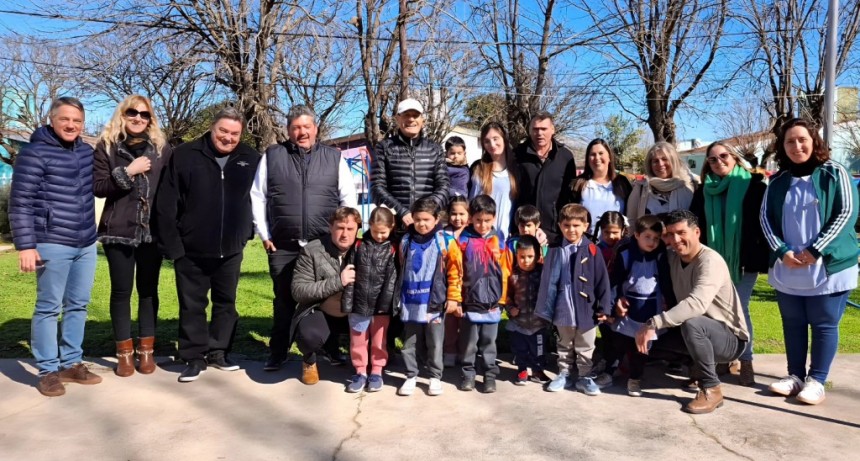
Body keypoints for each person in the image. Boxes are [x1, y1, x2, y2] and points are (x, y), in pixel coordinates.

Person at [155, 107, 261, 382]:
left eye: (234, 133)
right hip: (191, 249)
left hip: (231, 248)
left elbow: (260, 199)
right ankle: (193, 356)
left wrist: (246, 233)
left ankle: (219, 352)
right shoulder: (185, 155)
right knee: (192, 305)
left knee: (226, 302)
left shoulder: (250, 158)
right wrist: (174, 246)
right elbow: (166, 203)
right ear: (212, 128)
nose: (228, 138)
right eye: (223, 131)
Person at [250, 105, 357, 372]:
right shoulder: (273, 156)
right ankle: (278, 352)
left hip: (323, 244)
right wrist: (264, 233)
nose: (302, 132)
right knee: (284, 300)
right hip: (283, 244)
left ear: (315, 129)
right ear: (288, 130)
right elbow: (258, 196)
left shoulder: (333, 158)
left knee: (327, 296)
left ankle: (329, 349)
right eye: (296, 127)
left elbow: (348, 198)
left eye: (307, 126)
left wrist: (346, 233)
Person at [760, 118, 858, 405]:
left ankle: (817, 380)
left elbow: (846, 213)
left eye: (802, 139)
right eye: (789, 141)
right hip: (788, 264)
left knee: (824, 323)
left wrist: (816, 250)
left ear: (814, 141)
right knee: (792, 322)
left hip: (828, 265)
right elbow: (765, 218)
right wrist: (782, 250)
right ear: (782, 146)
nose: (797, 146)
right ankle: (795, 376)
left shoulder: (834, 172)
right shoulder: (777, 180)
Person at [10, 97, 102, 396]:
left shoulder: (86, 152)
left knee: (78, 305)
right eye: (65, 119)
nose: (71, 125)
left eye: (77, 120)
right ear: (52, 120)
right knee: (49, 307)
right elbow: (20, 202)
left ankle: (71, 363)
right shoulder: (34, 153)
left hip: (85, 242)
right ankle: (48, 370)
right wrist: (26, 246)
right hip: (51, 241)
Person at [634, 210, 749, 414]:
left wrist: (654, 323)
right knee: (641, 344)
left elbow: (697, 304)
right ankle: (696, 367)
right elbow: (641, 246)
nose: (676, 240)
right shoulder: (671, 257)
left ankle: (711, 388)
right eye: (670, 234)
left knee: (693, 323)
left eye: (681, 233)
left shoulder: (710, 261)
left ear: (697, 232)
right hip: (691, 330)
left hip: (729, 339)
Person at [93, 95, 172, 378]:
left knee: (148, 291)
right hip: (119, 230)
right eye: (132, 112)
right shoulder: (106, 146)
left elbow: (171, 188)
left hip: (152, 232)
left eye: (144, 114)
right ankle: (124, 354)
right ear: (122, 114)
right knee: (121, 291)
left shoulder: (162, 149)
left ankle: (146, 350)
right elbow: (99, 187)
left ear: (151, 119)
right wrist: (128, 171)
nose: (138, 118)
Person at [689, 141, 768, 386]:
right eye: (712, 159)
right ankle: (721, 359)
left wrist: (756, 255)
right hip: (711, 263)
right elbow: (694, 225)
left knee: (739, 310)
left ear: (734, 157)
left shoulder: (754, 186)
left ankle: (746, 360)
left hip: (743, 261)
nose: (719, 161)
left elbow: (762, 225)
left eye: (723, 156)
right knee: (712, 311)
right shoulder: (703, 191)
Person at [536, 204, 611, 396]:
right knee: (565, 343)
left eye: (576, 225)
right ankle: (564, 374)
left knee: (586, 344)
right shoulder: (553, 249)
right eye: (567, 225)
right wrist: (545, 306)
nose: (571, 230)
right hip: (563, 305)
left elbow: (602, 280)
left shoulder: (593, 250)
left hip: (586, 307)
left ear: (586, 226)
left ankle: (584, 377)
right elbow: (547, 279)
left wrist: (604, 307)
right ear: (560, 226)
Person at [396, 198, 461, 396]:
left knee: (435, 342)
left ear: (436, 219)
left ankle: (434, 376)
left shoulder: (445, 242)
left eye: (426, 219)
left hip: (434, 303)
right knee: (410, 342)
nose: (421, 224)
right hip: (411, 301)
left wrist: (453, 297)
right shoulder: (406, 241)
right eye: (417, 219)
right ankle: (411, 375)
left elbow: (455, 272)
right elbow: (402, 266)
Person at [290, 207, 362, 385]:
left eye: (350, 229)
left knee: (390, 320)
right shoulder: (312, 251)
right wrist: (339, 281)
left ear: (357, 230)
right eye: (340, 228)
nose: (344, 234)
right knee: (309, 336)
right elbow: (299, 290)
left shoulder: (366, 249)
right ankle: (309, 361)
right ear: (330, 227)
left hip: (356, 312)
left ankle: (372, 358)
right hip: (322, 311)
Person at [610, 215, 675, 397]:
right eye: (647, 237)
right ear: (637, 235)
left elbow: (666, 282)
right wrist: (615, 302)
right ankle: (609, 370)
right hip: (628, 309)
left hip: (651, 309)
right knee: (619, 343)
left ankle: (635, 378)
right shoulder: (625, 255)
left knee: (642, 348)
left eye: (656, 238)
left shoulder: (660, 256)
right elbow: (615, 282)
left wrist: (669, 304)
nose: (652, 242)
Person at [453, 195, 510, 394]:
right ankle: (468, 374)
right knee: (469, 343)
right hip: (470, 301)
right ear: (471, 218)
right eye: (478, 220)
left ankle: (489, 376)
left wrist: (503, 298)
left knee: (489, 343)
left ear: (494, 218)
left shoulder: (499, 239)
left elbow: (505, 271)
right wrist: (457, 298)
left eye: (487, 220)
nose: (482, 225)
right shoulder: (463, 240)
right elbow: (457, 270)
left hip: (493, 303)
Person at [371, 98, 449, 231]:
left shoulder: (435, 148)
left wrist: (426, 212)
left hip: (428, 226)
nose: (411, 119)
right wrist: (402, 212)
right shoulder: (383, 147)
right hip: (395, 226)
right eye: (406, 115)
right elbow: (377, 188)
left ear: (422, 120)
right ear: (397, 119)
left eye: (415, 115)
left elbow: (444, 187)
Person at [341, 207, 397, 393]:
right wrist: (348, 302)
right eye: (375, 231)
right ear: (369, 226)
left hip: (381, 307)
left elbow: (391, 280)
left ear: (391, 227)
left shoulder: (392, 249)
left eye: (383, 232)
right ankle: (360, 371)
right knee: (358, 341)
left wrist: (385, 305)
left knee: (379, 341)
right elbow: (350, 276)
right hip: (359, 304)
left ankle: (377, 371)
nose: (379, 236)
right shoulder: (358, 246)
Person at [515, 112, 578, 243]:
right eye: (535, 129)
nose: (539, 133)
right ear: (529, 130)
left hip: (555, 233)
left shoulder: (565, 157)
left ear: (552, 129)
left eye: (544, 129)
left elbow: (570, 197)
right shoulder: (517, 155)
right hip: (524, 231)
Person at [504, 235, 550, 385]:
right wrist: (510, 308)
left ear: (538, 255)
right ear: (516, 256)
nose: (526, 261)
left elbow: (551, 294)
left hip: (539, 323)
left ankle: (537, 371)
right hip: (518, 323)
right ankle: (522, 369)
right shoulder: (513, 275)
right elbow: (507, 295)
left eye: (530, 256)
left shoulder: (543, 273)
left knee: (539, 349)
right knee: (520, 349)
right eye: (522, 257)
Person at [562, 138, 632, 235]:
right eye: (592, 154)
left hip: (616, 241)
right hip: (586, 242)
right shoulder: (577, 185)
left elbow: (631, 214)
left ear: (609, 157)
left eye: (601, 153)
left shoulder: (622, 183)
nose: (597, 158)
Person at [592, 210, 628, 387]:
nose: (611, 236)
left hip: (620, 297)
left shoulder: (626, 249)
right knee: (606, 333)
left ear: (623, 231)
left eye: (615, 232)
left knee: (618, 336)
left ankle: (613, 368)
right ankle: (607, 361)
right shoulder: (597, 250)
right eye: (607, 232)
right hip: (602, 298)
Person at [469, 122, 518, 240]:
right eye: (487, 141)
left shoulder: (516, 170)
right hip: (477, 236)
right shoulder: (477, 168)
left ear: (504, 138)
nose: (492, 144)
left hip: (503, 237)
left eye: (496, 139)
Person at [627, 142, 695, 226]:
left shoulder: (688, 186)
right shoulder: (641, 187)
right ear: (650, 165)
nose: (660, 164)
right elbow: (631, 220)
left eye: (664, 159)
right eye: (655, 161)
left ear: (674, 161)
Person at [442, 195, 469, 367]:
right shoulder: (443, 234)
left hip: (469, 284)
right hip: (449, 283)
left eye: (462, 214)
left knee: (466, 321)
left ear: (469, 215)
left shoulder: (472, 233)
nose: (457, 218)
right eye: (454, 214)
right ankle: (450, 351)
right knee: (450, 320)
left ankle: (465, 353)